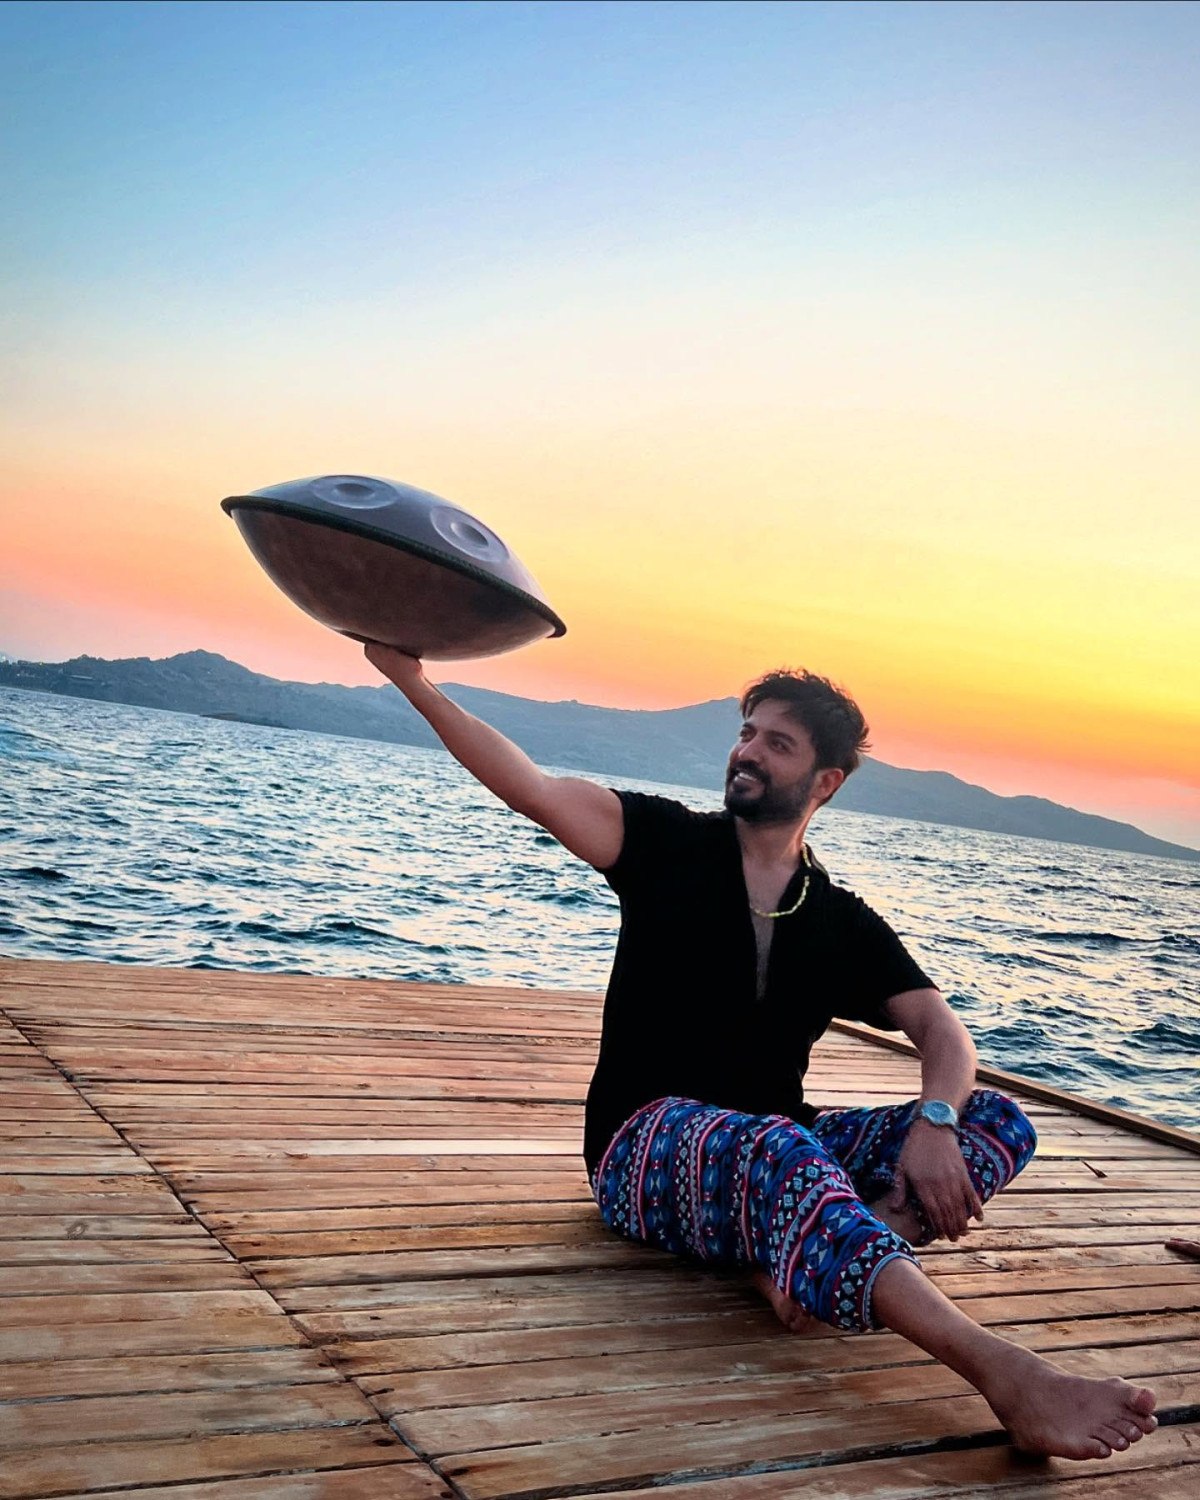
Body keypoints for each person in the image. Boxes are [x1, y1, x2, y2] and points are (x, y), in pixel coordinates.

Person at [364, 645, 1158, 1462]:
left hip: (778, 1145)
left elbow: (944, 1033)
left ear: (825, 782)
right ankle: (1006, 1374)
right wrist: (412, 680)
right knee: (782, 1148)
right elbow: (527, 784)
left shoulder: (837, 917)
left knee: (993, 1118)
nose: (747, 751)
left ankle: (807, 1266)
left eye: (778, 743)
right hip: (641, 1145)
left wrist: (934, 1123)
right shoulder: (664, 843)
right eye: (747, 733)